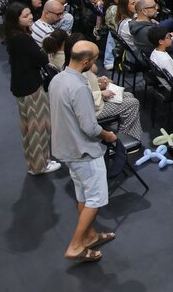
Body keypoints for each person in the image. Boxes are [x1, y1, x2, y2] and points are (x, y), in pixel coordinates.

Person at [48, 40, 117, 264]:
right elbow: (90, 127)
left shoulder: (58, 78)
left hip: (66, 148)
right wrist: (108, 135)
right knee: (95, 199)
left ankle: (89, 235)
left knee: (83, 194)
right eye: (94, 60)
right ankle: (76, 245)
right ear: (86, 61)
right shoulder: (79, 86)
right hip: (84, 151)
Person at [4, 2, 62, 176]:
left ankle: (35, 162)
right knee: (38, 126)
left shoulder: (14, 36)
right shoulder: (22, 38)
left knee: (28, 127)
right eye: (25, 16)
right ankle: (39, 165)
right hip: (30, 86)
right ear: (16, 20)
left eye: (30, 14)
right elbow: (41, 58)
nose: (30, 17)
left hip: (21, 85)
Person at [65, 33, 143, 141]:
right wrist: (101, 93)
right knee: (133, 103)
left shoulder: (73, 66)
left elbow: (88, 83)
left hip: (95, 99)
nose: (94, 62)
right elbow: (83, 96)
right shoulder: (77, 75)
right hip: (94, 109)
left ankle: (128, 134)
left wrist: (98, 82)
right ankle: (125, 139)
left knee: (129, 95)